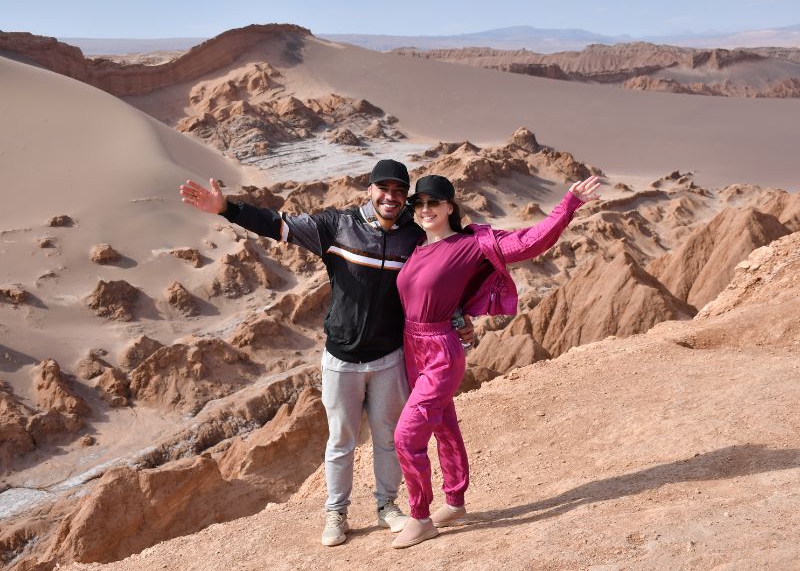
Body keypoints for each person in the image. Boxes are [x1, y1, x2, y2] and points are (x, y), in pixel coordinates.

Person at [178, 160, 474, 547]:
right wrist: (228, 210)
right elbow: (278, 224)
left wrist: (458, 318)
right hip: (342, 359)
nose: (391, 197)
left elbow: (440, 277)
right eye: (383, 189)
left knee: (388, 437)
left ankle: (387, 506)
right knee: (341, 440)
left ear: (407, 197)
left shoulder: (414, 237)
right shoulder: (337, 226)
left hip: (389, 357)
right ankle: (336, 513)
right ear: (369, 190)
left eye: (399, 191)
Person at [390, 173, 601, 548]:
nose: (424, 209)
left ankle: (420, 517)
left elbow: (531, 242)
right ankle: (454, 503)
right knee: (443, 426)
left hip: (441, 350)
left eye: (432, 203)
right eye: (418, 204)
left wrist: (568, 203)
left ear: (450, 207)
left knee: (407, 436)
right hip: (412, 347)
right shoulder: (418, 247)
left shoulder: (471, 244)